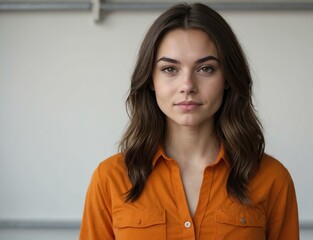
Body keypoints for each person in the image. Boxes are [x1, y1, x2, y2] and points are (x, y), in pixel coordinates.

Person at [80, 3, 299, 240]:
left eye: (205, 68)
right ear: (150, 80)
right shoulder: (110, 179)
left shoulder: (272, 178)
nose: (187, 86)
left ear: (227, 77)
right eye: (170, 69)